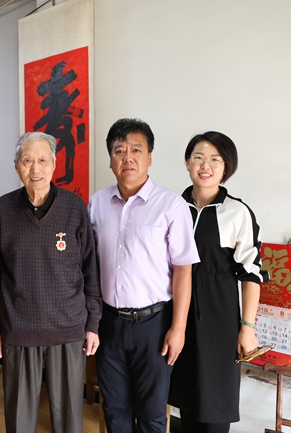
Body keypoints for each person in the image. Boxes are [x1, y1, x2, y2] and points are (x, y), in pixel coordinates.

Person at [0, 131, 102, 433]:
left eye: (42, 160)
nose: (35, 168)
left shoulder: (74, 207)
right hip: (18, 327)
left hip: (69, 328)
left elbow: (91, 270)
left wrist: (93, 324)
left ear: (54, 164)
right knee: (19, 419)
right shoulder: (3, 209)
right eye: (27, 161)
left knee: (69, 418)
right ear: (16, 166)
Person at [88, 118, 199, 433]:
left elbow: (183, 270)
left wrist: (178, 329)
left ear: (150, 157)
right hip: (109, 323)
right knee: (114, 410)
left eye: (136, 150)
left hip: (154, 325)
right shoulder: (97, 203)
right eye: (119, 151)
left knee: (152, 413)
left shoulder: (171, 205)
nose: (128, 158)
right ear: (110, 160)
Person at [168, 132, 270, 433]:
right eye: (198, 158)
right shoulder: (173, 206)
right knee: (185, 400)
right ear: (188, 162)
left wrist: (247, 328)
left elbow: (251, 274)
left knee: (215, 405)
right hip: (178, 316)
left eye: (215, 160)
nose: (205, 166)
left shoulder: (237, 212)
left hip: (219, 318)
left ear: (227, 167)